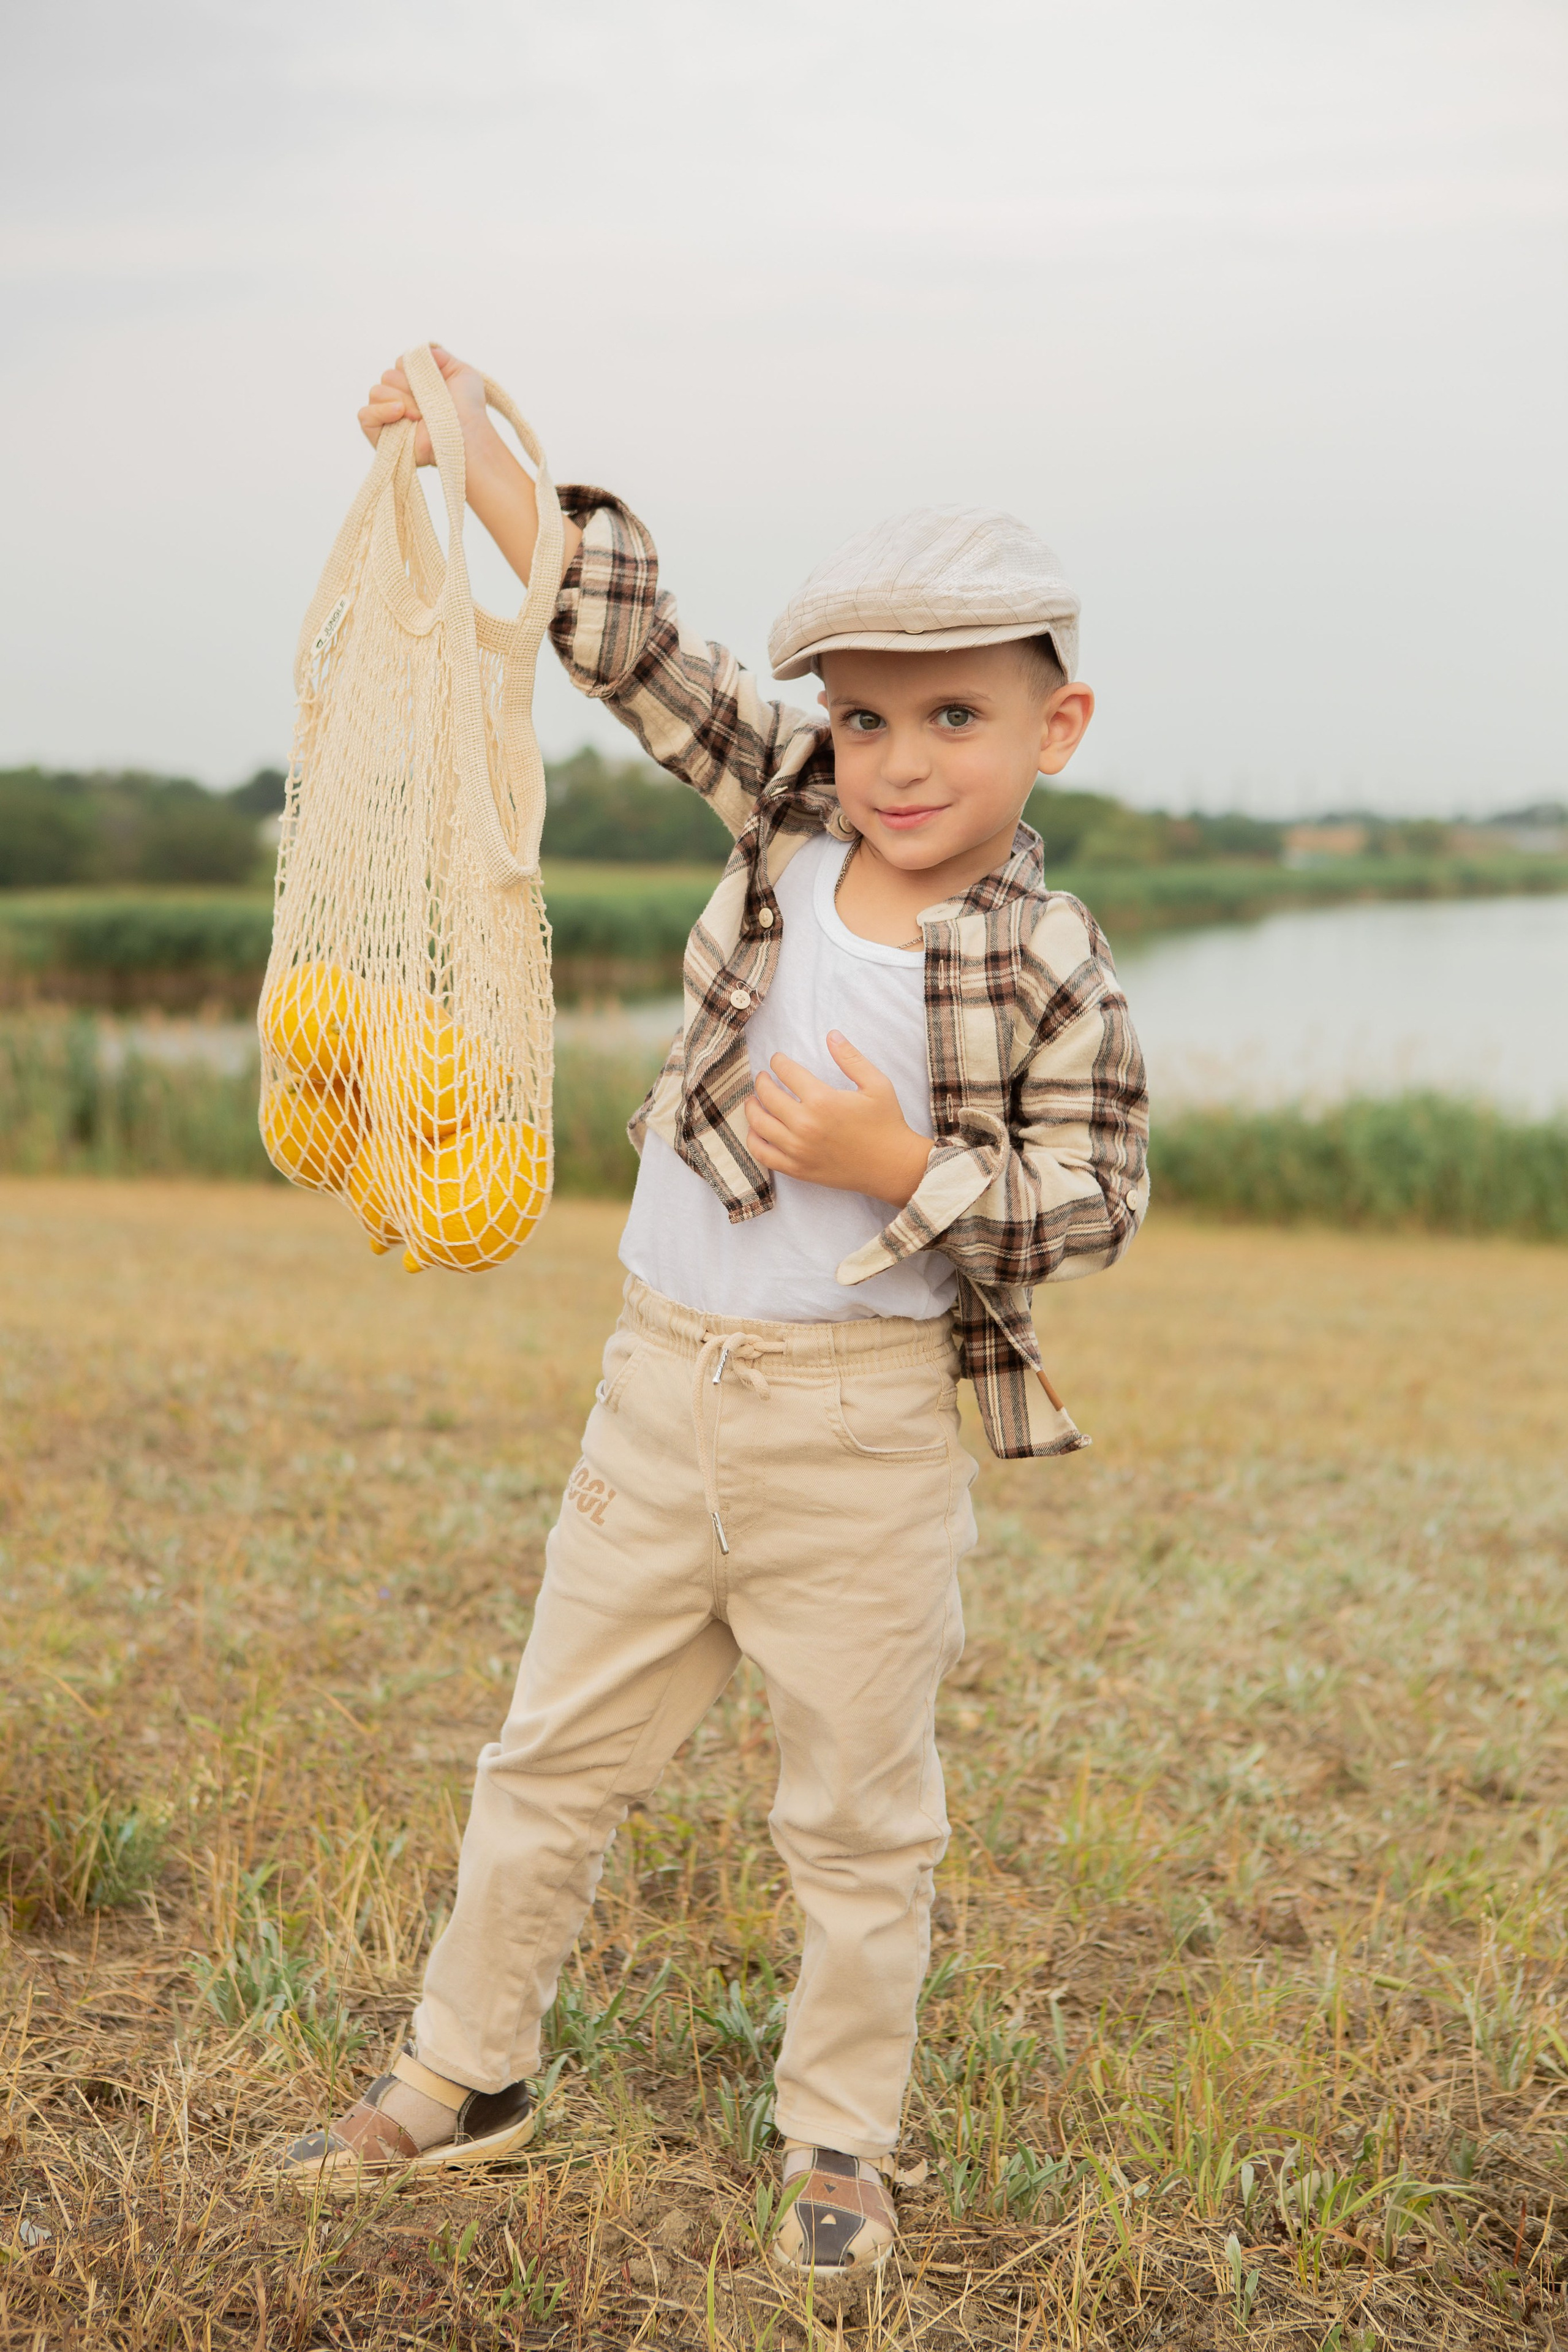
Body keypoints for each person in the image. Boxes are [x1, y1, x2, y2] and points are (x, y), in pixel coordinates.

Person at [277, 347, 1150, 2273]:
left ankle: (839, 2144)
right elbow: (627, 637)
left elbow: (1094, 1205)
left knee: (857, 1822)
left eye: (951, 717)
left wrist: (888, 1159)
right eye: (862, 718)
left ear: (1054, 726)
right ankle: (462, 2070)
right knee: (548, 1761)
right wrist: (470, 443)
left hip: (860, 1429)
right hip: (662, 1388)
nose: (898, 760)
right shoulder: (786, 819)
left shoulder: (1053, 959)